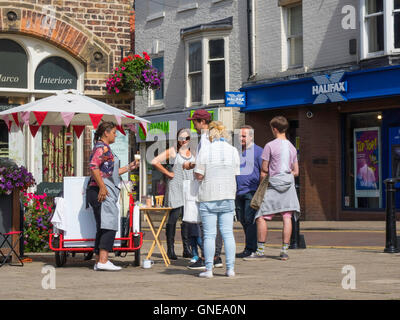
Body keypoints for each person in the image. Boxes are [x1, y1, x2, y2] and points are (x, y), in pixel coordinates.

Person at [245, 116, 300, 261]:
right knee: (287, 217)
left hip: (273, 184)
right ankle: (284, 251)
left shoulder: (270, 145)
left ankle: (261, 251)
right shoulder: (292, 147)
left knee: (261, 217)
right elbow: (296, 171)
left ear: (274, 129)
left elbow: (264, 168)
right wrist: (287, 175)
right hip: (288, 185)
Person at [87, 122, 139, 271]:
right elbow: (93, 166)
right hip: (101, 191)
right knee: (109, 224)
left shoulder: (104, 148)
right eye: (114, 132)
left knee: (102, 226)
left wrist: (129, 167)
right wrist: (102, 187)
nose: (116, 135)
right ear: (106, 133)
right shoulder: (101, 148)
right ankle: (104, 260)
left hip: (99, 190)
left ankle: (98, 261)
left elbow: (109, 172)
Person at [194, 121, 240, 278]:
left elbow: (199, 175)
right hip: (228, 195)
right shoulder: (233, 150)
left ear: (211, 135)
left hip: (209, 195)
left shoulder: (205, 151)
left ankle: (208, 269)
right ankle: (230, 269)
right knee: (228, 234)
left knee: (209, 235)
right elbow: (235, 173)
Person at [183, 109, 224, 270]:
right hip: (218, 185)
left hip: (207, 185)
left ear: (202, 122)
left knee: (205, 224)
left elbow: (205, 163)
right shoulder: (215, 138)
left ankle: (208, 257)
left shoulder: (206, 139)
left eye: (194, 121)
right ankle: (216, 256)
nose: (193, 124)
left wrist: (194, 169)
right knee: (217, 224)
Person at [151, 128, 194, 260]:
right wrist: (168, 173)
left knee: (188, 219)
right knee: (173, 218)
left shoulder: (192, 152)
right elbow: (154, 161)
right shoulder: (173, 151)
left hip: (189, 187)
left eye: (186, 138)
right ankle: (171, 249)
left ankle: (187, 249)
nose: (183, 141)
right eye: (181, 138)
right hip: (176, 187)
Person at [235, 125, 263, 258]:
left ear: (251, 137)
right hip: (238, 191)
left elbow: (264, 171)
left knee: (249, 219)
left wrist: (261, 190)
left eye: (244, 136)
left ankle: (251, 248)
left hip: (251, 191)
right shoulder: (238, 152)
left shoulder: (258, 152)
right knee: (242, 219)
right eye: (239, 136)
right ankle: (249, 246)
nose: (241, 138)